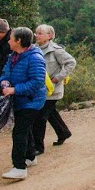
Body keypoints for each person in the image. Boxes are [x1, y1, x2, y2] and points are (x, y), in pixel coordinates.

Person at [0, 27, 47, 180]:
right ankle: (30, 157)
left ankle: (19, 167)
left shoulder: (34, 58)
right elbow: (5, 73)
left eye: (11, 38)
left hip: (32, 101)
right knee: (24, 128)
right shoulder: (13, 56)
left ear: (18, 41)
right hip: (20, 100)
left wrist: (15, 90)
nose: (8, 41)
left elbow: (38, 82)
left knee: (19, 131)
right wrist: (4, 83)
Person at [32, 24, 77, 152]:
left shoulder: (56, 50)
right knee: (50, 113)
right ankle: (63, 133)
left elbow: (71, 62)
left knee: (40, 117)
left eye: (40, 33)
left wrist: (58, 78)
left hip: (53, 91)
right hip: (39, 90)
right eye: (36, 33)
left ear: (49, 36)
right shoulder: (33, 49)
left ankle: (38, 147)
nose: (37, 35)